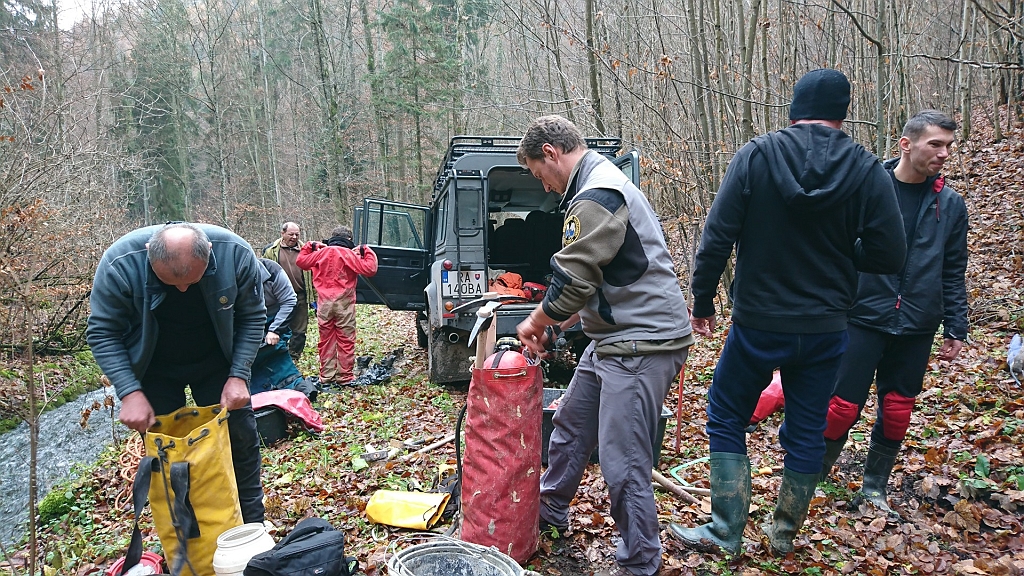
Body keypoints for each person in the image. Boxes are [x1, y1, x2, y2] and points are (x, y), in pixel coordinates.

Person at [670, 69, 908, 557]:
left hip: (758, 322)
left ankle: (726, 531)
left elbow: (717, 237)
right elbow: (890, 255)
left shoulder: (756, 156)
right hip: (826, 327)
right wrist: (846, 251)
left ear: (794, 108)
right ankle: (782, 535)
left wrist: (703, 301)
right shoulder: (866, 169)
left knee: (726, 413)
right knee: (807, 427)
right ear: (843, 112)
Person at [515, 115, 693, 576]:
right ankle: (549, 510)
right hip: (613, 338)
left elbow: (573, 280)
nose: (545, 186)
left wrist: (535, 321)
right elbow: (596, 282)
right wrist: (555, 328)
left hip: (642, 343)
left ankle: (640, 563)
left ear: (551, 152)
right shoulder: (595, 186)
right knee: (571, 425)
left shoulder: (597, 193)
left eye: (538, 174)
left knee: (623, 463)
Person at [819, 110, 968, 511]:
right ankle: (814, 476)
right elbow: (836, 252)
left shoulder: (951, 204)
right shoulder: (867, 190)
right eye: (935, 144)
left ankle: (874, 488)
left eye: (948, 146)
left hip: (918, 323)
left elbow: (953, 268)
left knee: (898, 408)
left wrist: (956, 325)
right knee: (841, 408)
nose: (943, 153)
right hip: (861, 317)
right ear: (906, 144)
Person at [87, 222, 267, 523]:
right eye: (170, 283)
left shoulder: (235, 253)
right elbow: (103, 332)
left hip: (218, 361)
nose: (183, 289)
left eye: (192, 281)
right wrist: (129, 392)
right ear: (149, 254)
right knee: (167, 455)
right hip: (153, 368)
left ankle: (252, 525)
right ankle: (187, 534)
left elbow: (253, 315)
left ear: (209, 251)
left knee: (240, 442)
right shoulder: (120, 263)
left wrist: (239, 374)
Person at [296, 226, 378, 387]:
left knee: (326, 340)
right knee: (345, 340)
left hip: (324, 305)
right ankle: (344, 377)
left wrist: (310, 245)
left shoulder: (320, 253)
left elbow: (301, 261)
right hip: (344, 304)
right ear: (349, 239)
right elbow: (370, 269)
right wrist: (365, 249)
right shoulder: (349, 254)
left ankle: (326, 376)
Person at [264, 222, 316, 362]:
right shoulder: (271, 251)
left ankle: (294, 357)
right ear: (282, 233)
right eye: (291, 234)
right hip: (278, 297)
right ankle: (276, 355)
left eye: (297, 234)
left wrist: (315, 297)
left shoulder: (306, 251)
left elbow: (313, 275)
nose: (294, 237)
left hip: (300, 296)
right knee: (277, 326)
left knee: (299, 331)